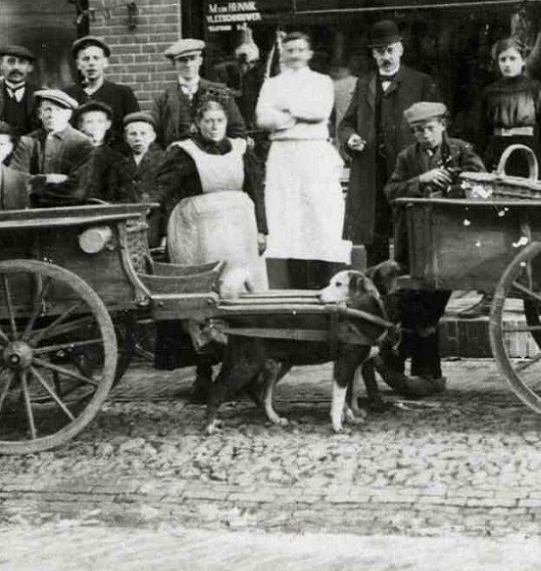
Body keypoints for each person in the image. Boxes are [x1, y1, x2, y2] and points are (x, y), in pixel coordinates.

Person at [153, 89, 268, 397]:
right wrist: (150, 215)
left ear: (226, 122)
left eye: (219, 120)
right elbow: (164, 189)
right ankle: (203, 374)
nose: (214, 126)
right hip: (199, 233)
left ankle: (246, 371)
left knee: (241, 294)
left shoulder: (240, 149)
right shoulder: (185, 151)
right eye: (208, 121)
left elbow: (256, 190)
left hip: (240, 232)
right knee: (203, 298)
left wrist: (263, 229)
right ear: (198, 123)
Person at [381, 102, 484, 397]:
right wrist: (420, 181)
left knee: (428, 307)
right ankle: (427, 375)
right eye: (417, 130)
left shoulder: (461, 150)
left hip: (450, 243)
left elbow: (481, 184)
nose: (424, 135)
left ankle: (399, 364)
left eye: (429, 128)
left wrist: (455, 184)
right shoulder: (407, 157)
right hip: (415, 244)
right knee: (418, 306)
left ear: (442, 125)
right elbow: (391, 192)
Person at [254, 31, 352, 288]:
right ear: (283, 54)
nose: (295, 55)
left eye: (300, 50)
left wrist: (285, 108)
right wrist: (295, 116)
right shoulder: (273, 84)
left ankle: (325, 281)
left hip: (313, 152)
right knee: (287, 216)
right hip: (283, 154)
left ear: (309, 53)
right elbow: (262, 118)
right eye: (290, 50)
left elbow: (319, 111)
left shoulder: (321, 81)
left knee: (319, 215)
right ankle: (295, 285)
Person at [338, 19, 441, 263]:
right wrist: (351, 138)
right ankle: (377, 283)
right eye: (379, 51)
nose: (386, 56)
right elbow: (346, 123)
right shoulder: (364, 83)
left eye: (390, 50)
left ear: (401, 49)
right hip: (372, 170)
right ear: (373, 54)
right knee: (375, 236)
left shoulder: (420, 82)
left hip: (408, 168)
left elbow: (438, 124)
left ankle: (409, 283)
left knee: (412, 232)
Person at [477, 36, 541, 179]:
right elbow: (481, 130)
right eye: (503, 59)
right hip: (498, 151)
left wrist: (539, 155)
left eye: (512, 59)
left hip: (527, 152)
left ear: (523, 60)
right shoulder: (490, 92)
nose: (507, 64)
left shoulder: (536, 89)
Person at [151, 38, 245, 148]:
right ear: (174, 63)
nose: (188, 64)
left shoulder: (219, 92)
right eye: (182, 60)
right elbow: (155, 139)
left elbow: (237, 131)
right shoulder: (163, 99)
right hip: (177, 156)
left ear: (200, 61)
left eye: (192, 59)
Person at [12, 88, 94, 206]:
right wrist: (46, 179)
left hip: (69, 211)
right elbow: (14, 182)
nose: (52, 115)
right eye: (47, 109)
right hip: (32, 211)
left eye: (58, 110)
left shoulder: (82, 143)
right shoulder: (28, 141)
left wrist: (34, 188)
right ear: (39, 114)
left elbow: (77, 191)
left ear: (68, 115)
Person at [70, 36, 141, 128]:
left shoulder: (123, 94)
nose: (91, 63)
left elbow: (136, 127)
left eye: (96, 58)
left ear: (105, 62)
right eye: (86, 59)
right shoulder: (68, 95)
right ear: (78, 64)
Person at [76, 102, 139, 203]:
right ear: (80, 126)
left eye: (100, 121)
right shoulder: (72, 154)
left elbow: (127, 195)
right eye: (89, 122)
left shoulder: (118, 159)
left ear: (108, 124)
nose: (95, 126)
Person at [0, 43, 40, 139]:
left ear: (30, 67)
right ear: (1, 65)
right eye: (11, 61)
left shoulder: (40, 96)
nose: (16, 67)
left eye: (22, 62)